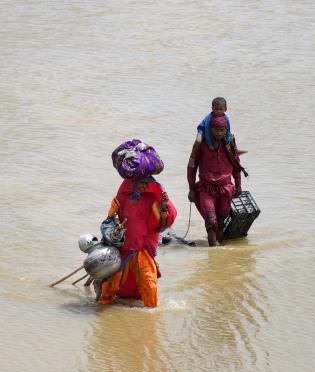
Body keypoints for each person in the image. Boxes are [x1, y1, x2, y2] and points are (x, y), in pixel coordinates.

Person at [97, 176, 177, 307]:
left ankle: (151, 315)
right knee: (111, 284)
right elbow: (109, 223)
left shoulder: (151, 199)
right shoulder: (122, 197)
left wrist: (164, 214)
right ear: (133, 184)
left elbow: (160, 225)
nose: (144, 186)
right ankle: (103, 308)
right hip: (124, 247)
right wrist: (111, 212)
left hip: (142, 248)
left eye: (146, 184)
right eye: (142, 184)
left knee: (149, 283)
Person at [187, 115, 246, 246]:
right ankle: (213, 251)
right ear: (210, 129)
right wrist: (191, 188)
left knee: (220, 220)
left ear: (226, 130)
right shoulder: (202, 144)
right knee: (211, 219)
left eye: (222, 130)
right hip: (206, 188)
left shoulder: (230, 144)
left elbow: (236, 166)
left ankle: (217, 251)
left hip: (225, 189)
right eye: (216, 130)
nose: (219, 133)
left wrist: (238, 185)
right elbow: (191, 166)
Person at [188, 97, 245, 169]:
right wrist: (210, 145)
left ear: (225, 109)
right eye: (216, 109)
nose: (218, 111)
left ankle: (236, 151)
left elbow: (228, 129)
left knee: (231, 137)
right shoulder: (209, 118)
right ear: (212, 108)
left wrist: (228, 142)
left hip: (218, 130)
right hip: (203, 130)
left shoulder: (226, 118)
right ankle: (192, 158)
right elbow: (208, 132)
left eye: (220, 109)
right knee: (198, 140)